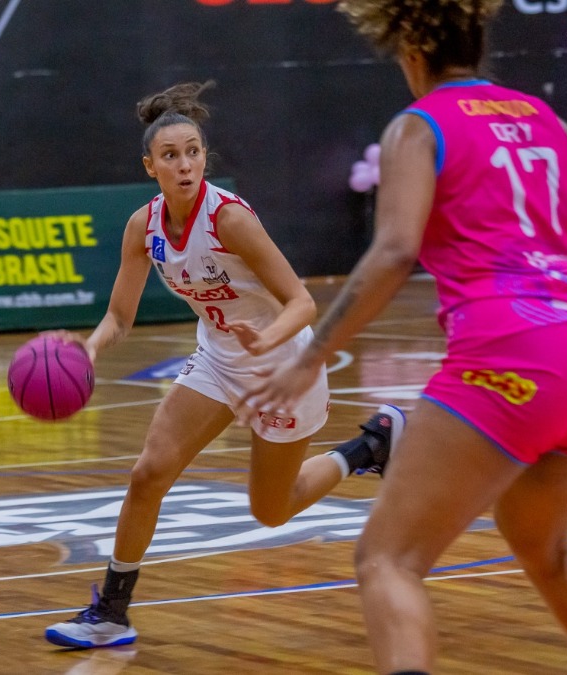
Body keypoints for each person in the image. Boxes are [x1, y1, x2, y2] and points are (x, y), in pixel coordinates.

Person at [238, 1, 567, 673]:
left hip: (512, 352)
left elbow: (395, 250)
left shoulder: (419, 125)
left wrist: (310, 358)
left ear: (409, 51)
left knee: (387, 558)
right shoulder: (542, 118)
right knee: (545, 549)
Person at [41, 81, 404, 649]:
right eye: (170, 156)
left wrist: (268, 342)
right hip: (216, 358)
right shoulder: (144, 227)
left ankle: (370, 446)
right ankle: (112, 611)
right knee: (147, 474)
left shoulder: (229, 221)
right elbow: (119, 317)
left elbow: (302, 302)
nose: (184, 165)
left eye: (193, 152)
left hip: (283, 364)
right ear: (150, 166)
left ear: (204, 158)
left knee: (272, 510)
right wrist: (86, 349)